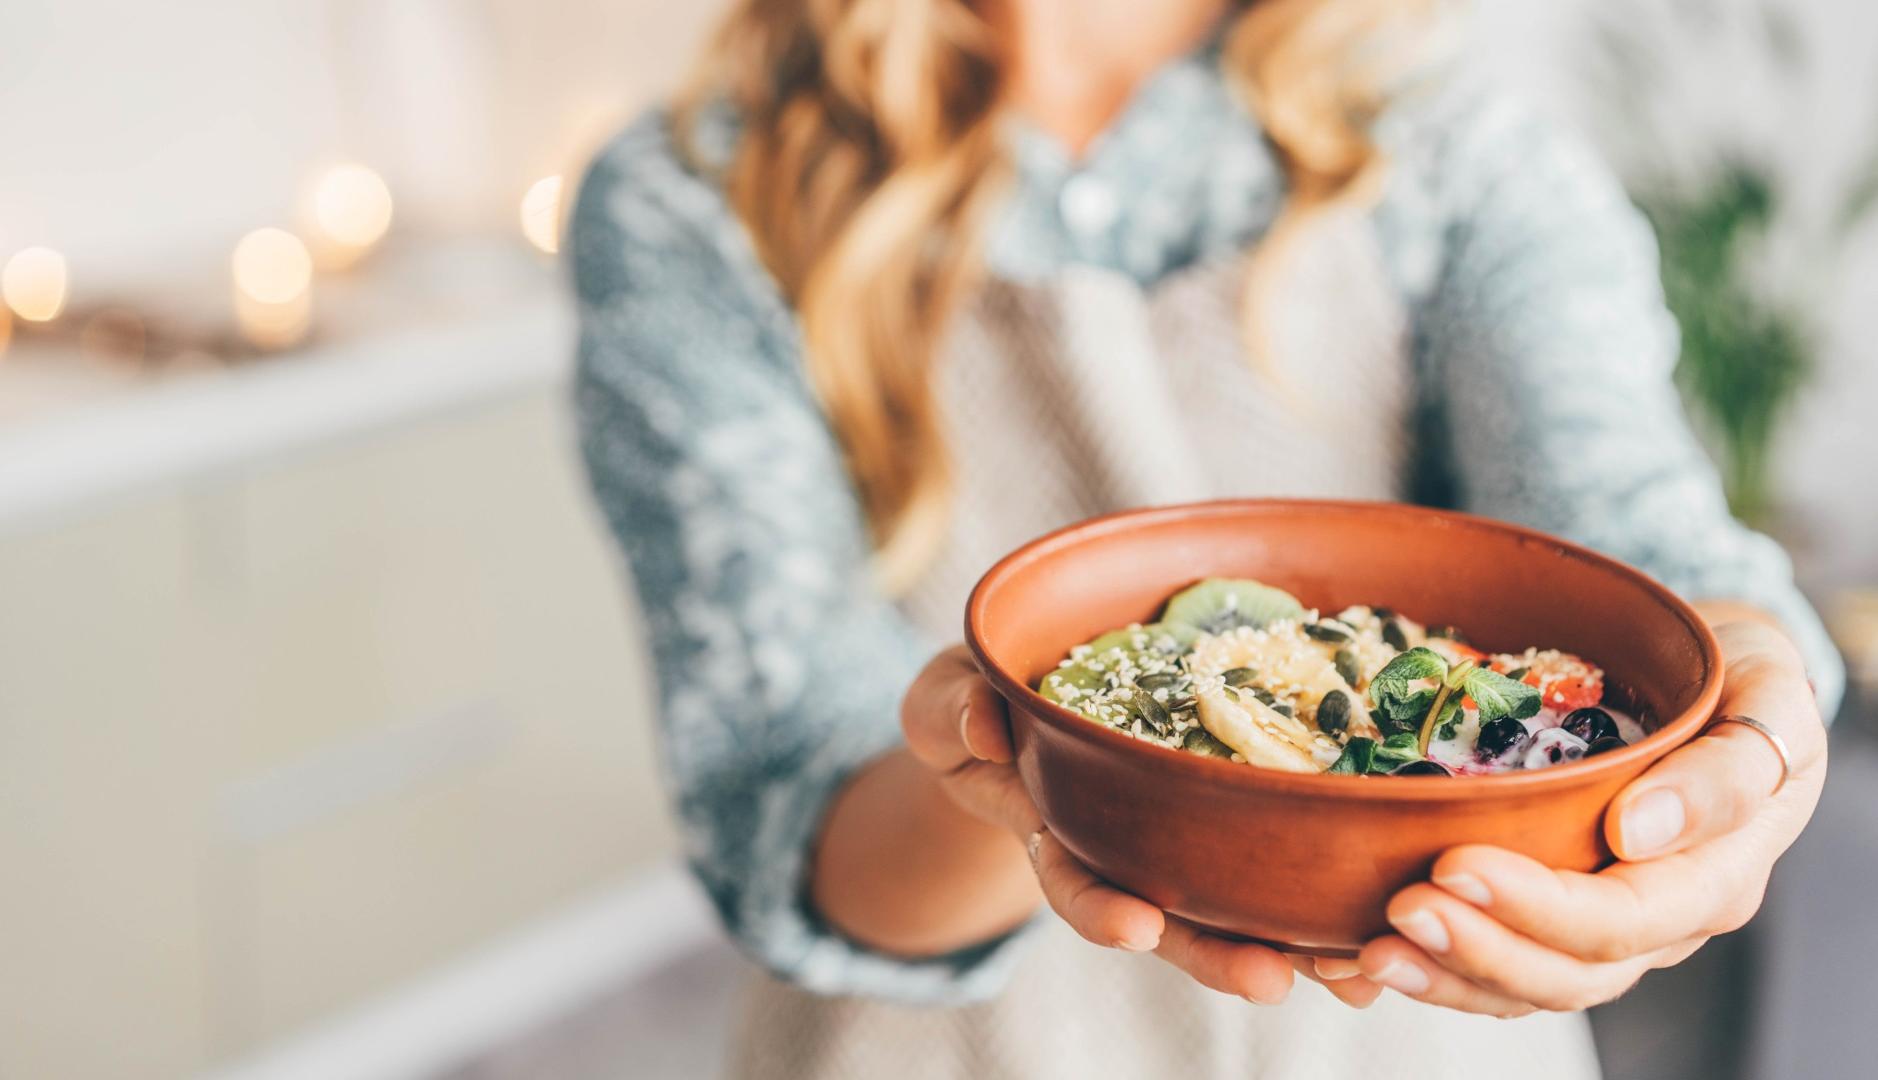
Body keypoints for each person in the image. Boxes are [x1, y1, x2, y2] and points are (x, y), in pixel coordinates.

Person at [570, 0, 1842, 1075]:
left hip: (1411, 1009)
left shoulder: (1441, 129)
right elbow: (787, 823)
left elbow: (1642, 545)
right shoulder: (701, 194)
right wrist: (1067, 771)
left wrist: (1749, 716)